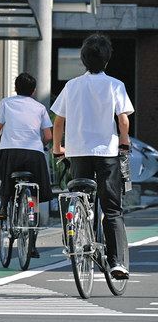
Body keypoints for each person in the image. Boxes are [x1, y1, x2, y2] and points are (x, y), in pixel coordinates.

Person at [51, 33, 133, 280]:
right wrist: (124, 142)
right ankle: (117, 262)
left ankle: (77, 233)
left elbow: (58, 122)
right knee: (112, 208)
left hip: (77, 153)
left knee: (79, 196)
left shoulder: (71, 85)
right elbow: (123, 120)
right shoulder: (114, 85)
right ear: (106, 61)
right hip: (107, 153)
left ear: (83, 60)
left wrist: (58, 148)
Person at [0, 72, 53, 258]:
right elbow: (48, 136)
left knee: (6, 178)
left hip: (10, 153)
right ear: (34, 91)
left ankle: (4, 206)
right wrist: (41, 145)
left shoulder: (6, 103)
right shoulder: (39, 107)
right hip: (34, 155)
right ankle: (32, 244)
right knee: (34, 195)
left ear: (15, 87)